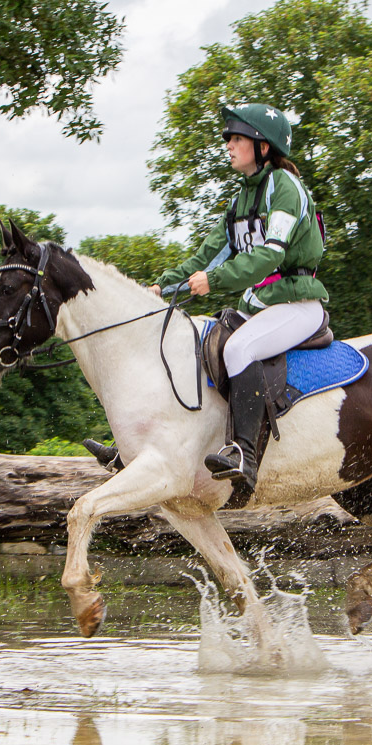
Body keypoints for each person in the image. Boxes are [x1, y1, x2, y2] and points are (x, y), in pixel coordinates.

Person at [150, 103, 328, 493]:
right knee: (197, 340)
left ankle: (243, 454)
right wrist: (161, 286)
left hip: (297, 305)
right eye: (229, 138)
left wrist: (214, 281)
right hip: (260, 306)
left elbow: (271, 255)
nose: (229, 145)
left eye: (237, 139)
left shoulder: (285, 187)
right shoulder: (241, 200)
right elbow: (205, 257)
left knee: (238, 350)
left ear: (263, 147)